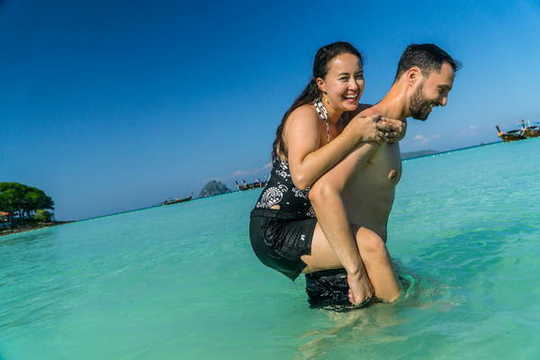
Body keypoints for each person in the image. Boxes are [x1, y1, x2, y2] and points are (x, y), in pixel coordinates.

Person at [249, 41, 405, 306]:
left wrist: (399, 129)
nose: (354, 86)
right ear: (321, 84)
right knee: (370, 246)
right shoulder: (304, 117)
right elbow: (301, 175)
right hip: (275, 228)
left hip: (315, 222)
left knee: (381, 264)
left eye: (359, 76)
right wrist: (354, 135)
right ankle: (402, 321)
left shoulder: (349, 115)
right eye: (344, 78)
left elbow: (385, 114)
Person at [305, 43, 459, 309]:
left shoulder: (390, 125)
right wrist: (355, 272)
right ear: (412, 76)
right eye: (442, 90)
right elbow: (322, 191)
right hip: (345, 273)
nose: (444, 101)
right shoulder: (370, 128)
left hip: (365, 262)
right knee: (394, 337)